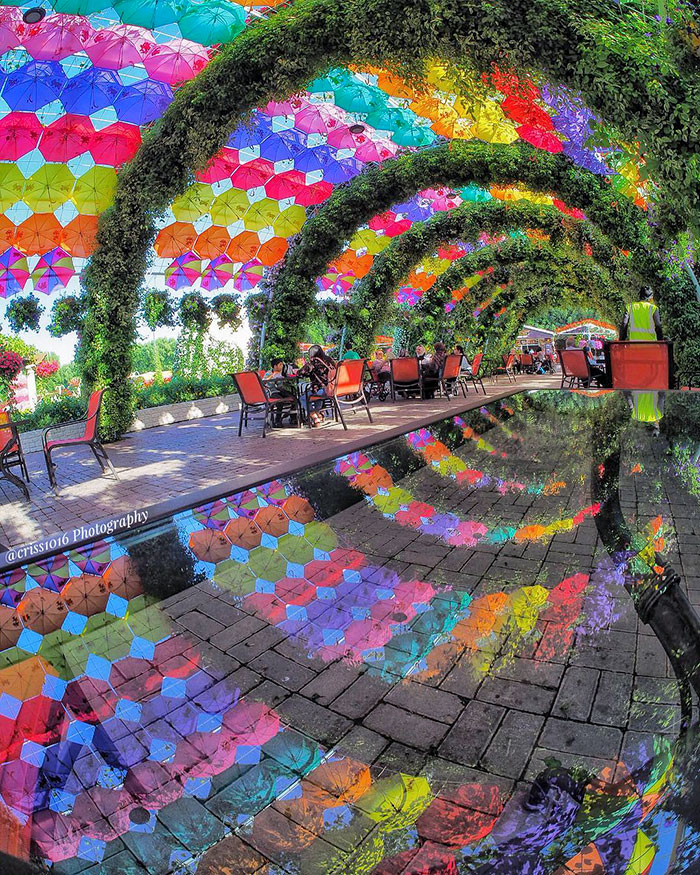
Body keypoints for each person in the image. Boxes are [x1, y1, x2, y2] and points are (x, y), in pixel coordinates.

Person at [297, 345, 337, 427]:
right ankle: (319, 414)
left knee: (303, 398)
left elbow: (301, 373)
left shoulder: (313, 363)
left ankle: (314, 416)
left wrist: (297, 372)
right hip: (333, 388)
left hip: (322, 390)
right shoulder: (329, 360)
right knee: (316, 395)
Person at [263, 358, 297, 427]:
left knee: (294, 398)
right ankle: (277, 420)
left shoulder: (282, 372)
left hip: (282, 390)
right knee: (279, 401)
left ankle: (293, 418)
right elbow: (263, 382)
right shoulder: (269, 373)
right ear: (275, 366)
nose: (282, 366)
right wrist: (273, 376)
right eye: (280, 365)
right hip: (273, 392)